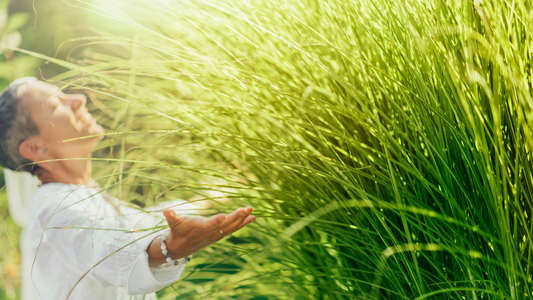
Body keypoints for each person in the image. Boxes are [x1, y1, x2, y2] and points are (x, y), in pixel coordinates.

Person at [0, 77, 256, 300]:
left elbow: (148, 222)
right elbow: (105, 248)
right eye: (55, 105)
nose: (78, 99)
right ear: (34, 148)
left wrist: (213, 196)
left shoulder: (86, 194)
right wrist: (171, 248)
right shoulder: (52, 206)